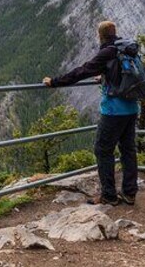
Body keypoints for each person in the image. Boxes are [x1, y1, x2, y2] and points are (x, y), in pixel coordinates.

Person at [42, 20, 138, 206]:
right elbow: (123, 73)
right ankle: (130, 193)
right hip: (132, 107)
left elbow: (82, 71)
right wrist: (104, 75)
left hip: (114, 110)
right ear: (115, 32)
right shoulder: (126, 48)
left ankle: (109, 196)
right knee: (128, 150)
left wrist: (54, 82)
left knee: (103, 150)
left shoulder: (107, 52)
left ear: (100, 35)